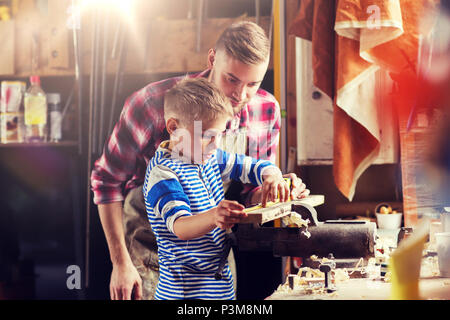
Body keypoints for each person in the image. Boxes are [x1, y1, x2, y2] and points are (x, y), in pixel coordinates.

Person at [91, 21, 309, 300]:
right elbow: (106, 182)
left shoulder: (265, 109)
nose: (240, 96)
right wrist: (120, 263)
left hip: (213, 254)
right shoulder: (151, 103)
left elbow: (250, 193)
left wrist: (276, 189)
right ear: (212, 59)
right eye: (231, 79)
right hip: (154, 253)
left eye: (252, 84)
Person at [144, 78, 289, 300]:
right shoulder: (163, 174)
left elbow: (251, 166)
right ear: (174, 128)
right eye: (206, 136)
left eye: (219, 135)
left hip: (218, 284)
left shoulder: (208, 156)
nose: (215, 145)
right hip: (186, 292)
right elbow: (180, 227)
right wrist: (214, 216)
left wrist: (272, 175)